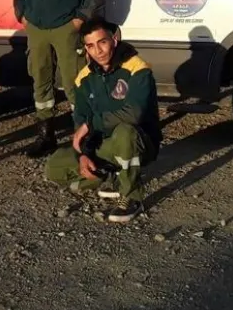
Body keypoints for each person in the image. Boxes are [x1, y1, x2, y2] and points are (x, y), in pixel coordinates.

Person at [44, 17, 161, 223]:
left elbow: (134, 115)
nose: (98, 51)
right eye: (90, 46)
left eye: (102, 42)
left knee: (125, 132)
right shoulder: (84, 78)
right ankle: (110, 176)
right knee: (54, 167)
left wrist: (91, 125)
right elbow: (80, 120)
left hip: (139, 143)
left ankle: (131, 196)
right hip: (104, 144)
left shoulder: (138, 69)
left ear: (114, 39)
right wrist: (84, 154)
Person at [14, 0, 104, 158]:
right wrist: (21, 14)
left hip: (66, 28)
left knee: (73, 81)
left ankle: (82, 137)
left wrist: (79, 21)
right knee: (40, 80)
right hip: (38, 29)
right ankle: (46, 135)